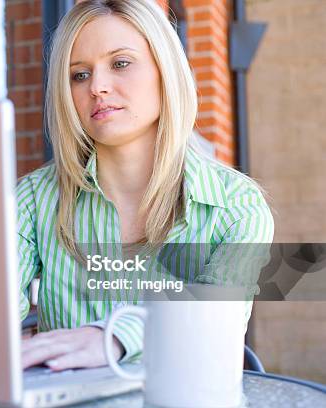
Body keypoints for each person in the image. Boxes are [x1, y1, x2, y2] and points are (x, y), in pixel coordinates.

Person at [18, 0, 274, 371]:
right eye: (79, 75)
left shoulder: (236, 207)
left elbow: (215, 318)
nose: (98, 87)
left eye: (120, 64)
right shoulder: (30, 201)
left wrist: (113, 337)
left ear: (164, 71)